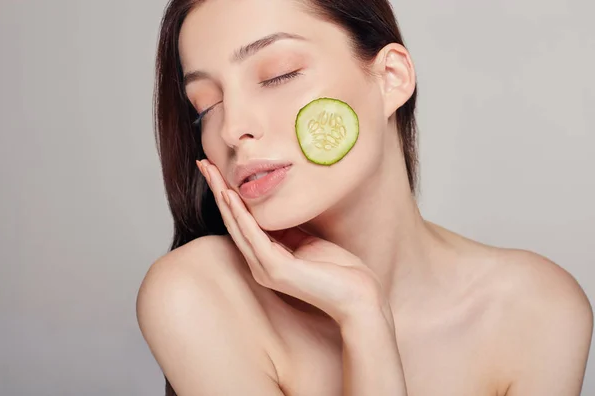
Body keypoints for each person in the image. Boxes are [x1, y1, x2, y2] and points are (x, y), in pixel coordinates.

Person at [136, 0, 594, 395]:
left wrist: (365, 315)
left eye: (279, 74)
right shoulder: (195, 294)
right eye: (205, 107)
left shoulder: (537, 309)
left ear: (391, 78)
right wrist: (364, 319)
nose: (233, 128)